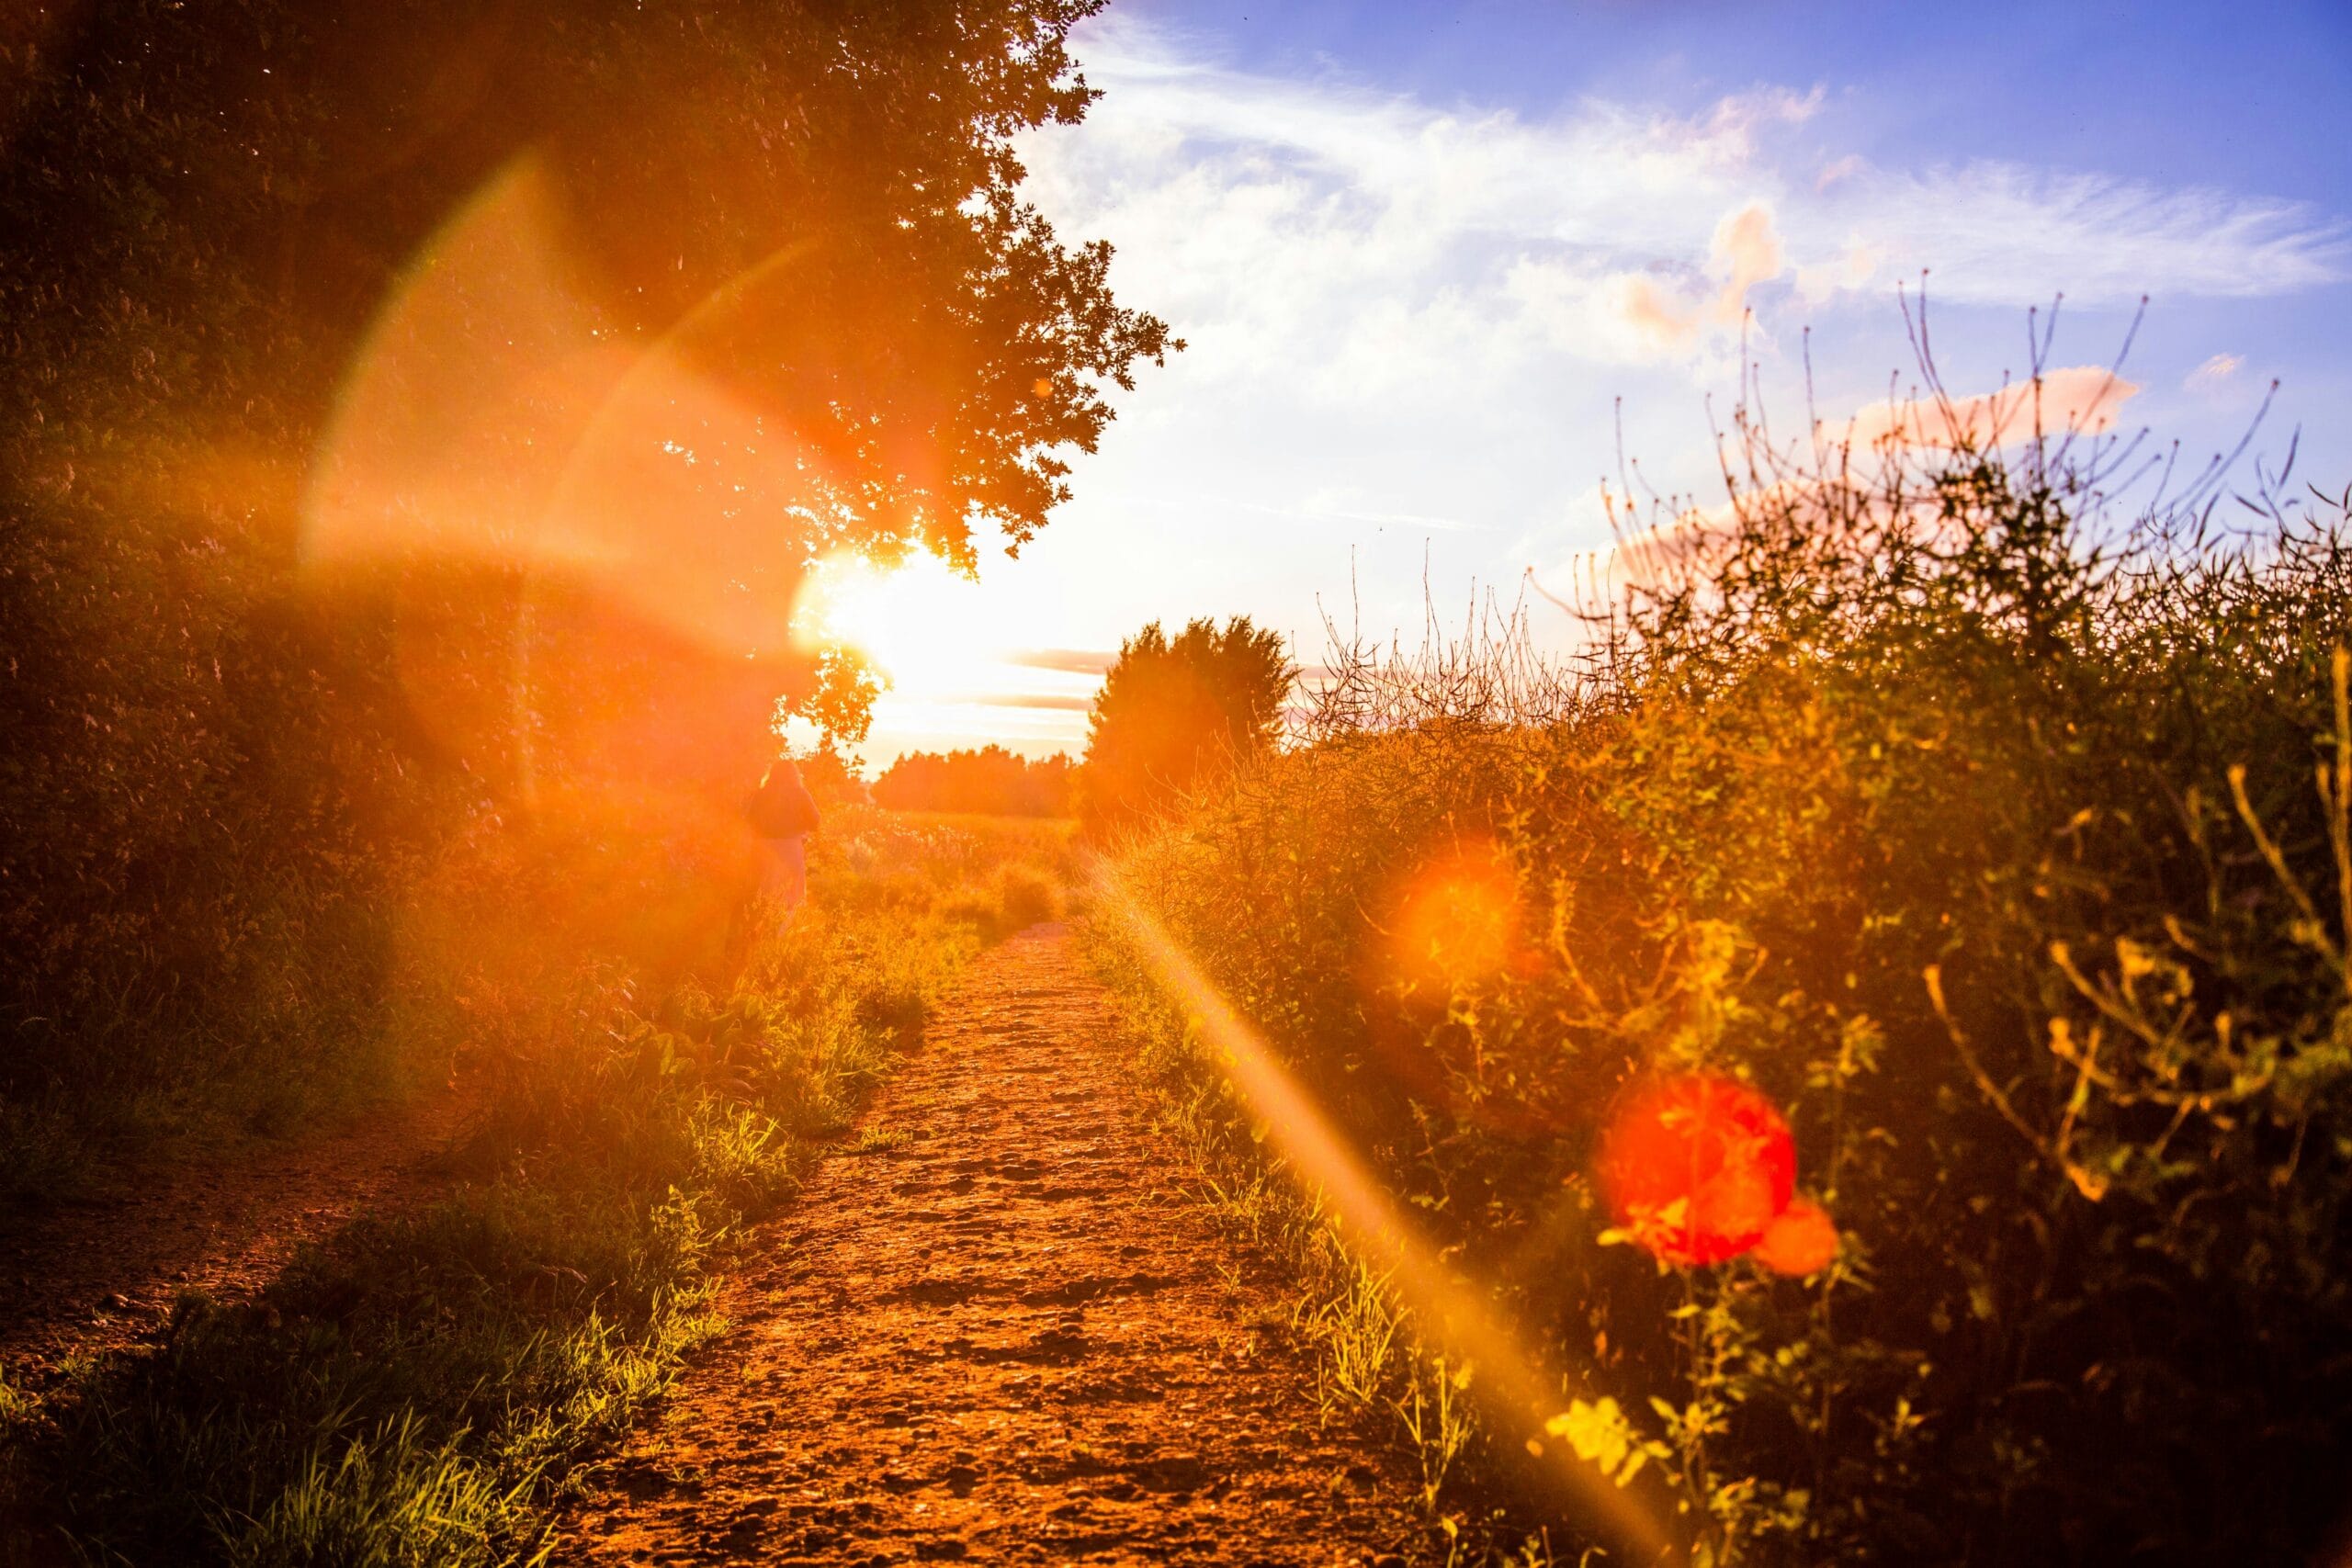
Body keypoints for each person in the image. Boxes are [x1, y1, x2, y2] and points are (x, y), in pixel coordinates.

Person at [744, 756, 821, 916]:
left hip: (763, 848)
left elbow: (750, 821)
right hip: (790, 847)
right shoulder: (800, 793)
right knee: (792, 894)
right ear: (795, 775)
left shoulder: (761, 794)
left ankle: (760, 929)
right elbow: (815, 820)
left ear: (771, 774)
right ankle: (784, 932)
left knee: (763, 890)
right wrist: (799, 827)